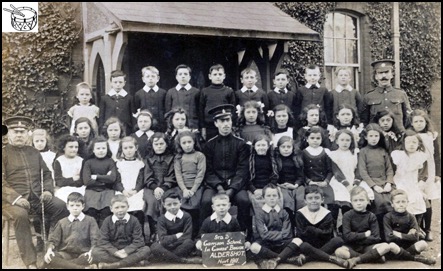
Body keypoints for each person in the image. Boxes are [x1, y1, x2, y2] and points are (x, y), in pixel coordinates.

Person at [2, 116, 69, 269]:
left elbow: (46, 174)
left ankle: (53, 247)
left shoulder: (34, 152)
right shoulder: (3, 153)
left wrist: (46, 190)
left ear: (28, 134)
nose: (19, 134)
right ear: (8, 133)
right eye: (15, 131)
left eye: (23, 131)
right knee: (21, 215)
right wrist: (16, 198)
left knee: (61, 207)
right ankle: (31, 262)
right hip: (10, 202)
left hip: (37, 198)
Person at [200, 104, 251, 239]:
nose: (226, 124)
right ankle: (206, 237)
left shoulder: (241, 144)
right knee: (205, 201)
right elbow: (208, 170)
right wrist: (219, 187)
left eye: (228, 120)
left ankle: (242, 235)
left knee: (244, 201)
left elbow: (242, 170)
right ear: (216, 123)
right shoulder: (209, 145)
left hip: (236, 185)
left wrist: (232, 190)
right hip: (214, 186)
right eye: (222, 121)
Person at [335, 187, 394, 269]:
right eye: (355, 200)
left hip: (368, 247)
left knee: (386, 246)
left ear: (367, 201)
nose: (359, 203)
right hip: (352, 247)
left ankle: (356, 259)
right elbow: (347, 236)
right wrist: (365, 234)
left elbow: (376, 237)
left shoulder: (371, 216)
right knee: (339, 252)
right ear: (351, 202)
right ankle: (372, 257)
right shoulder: (347, 215)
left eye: (361, 200)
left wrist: (355, 237)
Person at [326, 129, 373, 227]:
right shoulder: (333, 154)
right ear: (337, 141)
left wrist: (355, 183)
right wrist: (347, 185)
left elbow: (359, 169)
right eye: (342, 140)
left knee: (362, 196)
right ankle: (335, 226)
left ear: (351, 141)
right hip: (340, 181)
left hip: (355, 180)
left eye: (347, 140)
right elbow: (336, 172)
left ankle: (355, 225)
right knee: (340, 200)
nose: (345, 143)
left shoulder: (355, 153)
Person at [250, 184, 303, 269]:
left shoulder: (284, 213)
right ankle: (286, 259)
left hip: (282, 243)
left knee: (298, 240)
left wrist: (272, 234)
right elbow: (263, 234)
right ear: (263, 198)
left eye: (274, 195)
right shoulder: (259, 214)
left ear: (278, 197)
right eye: (268, 196)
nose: (272, 198)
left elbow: (287, 233)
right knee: (254, 247)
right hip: (267, 244)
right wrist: (280, 234)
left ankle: (276, 259)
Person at [294, 186, 349, 268]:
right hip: (307, 244)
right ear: (305, 200)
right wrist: (317, 231)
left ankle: (308, 258)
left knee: (338, 240)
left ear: (322, 199)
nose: (313, 201)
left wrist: (310, 229)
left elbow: (327, 233)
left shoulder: (327, 214)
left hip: (323, 244)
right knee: (303, 245)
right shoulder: (300, 214)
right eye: (310, 198)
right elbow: (301, 233)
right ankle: (330, 258)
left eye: (317, 198)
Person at [92, 194, 151, 269]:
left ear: (128, 207)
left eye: (123, 207)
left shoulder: (134, 220)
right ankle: (133, 261)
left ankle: (116, 265)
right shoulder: (107, 221)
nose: (120, 210)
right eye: (116, 207)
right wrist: (115, 252)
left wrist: (126, 251)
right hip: (113, 251)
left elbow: (139, 241)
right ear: (111, 209)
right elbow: (103, 241)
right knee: (95, 252)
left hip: (129, 251)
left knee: (146, 250)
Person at [43, 192, 100, 269]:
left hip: (83, 254)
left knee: (93, 257)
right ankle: (82, 268)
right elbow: (53, 240)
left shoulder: (90, 221)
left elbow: (95, 239)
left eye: (78, 205)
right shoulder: (62, 222)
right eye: (72, 205)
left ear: (83, 206)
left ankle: (62, 266)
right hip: (65, 254)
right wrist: (49, 250)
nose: (75, 208)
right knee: (51, 257)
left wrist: (91, 251)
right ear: (67, 206)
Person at [408, 109, 441, 241]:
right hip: (415, 169)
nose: (419, 124)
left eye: (421, 121)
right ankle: (418, 228)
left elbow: (437, 155)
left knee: (427, 199)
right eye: (416, 121)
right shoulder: (409, 135)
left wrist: (438, 173)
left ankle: (428, 229)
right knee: (416, 198)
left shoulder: (431, 135)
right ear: (411, 123)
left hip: (430, 169)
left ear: (426, 122)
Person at [358, 123, 394, 236]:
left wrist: (389, 183)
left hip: (384, 182)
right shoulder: (363, 151)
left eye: (376, 136)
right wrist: (374, 186)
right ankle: (379, 233)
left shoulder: (383, 151)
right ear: (365, 137)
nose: (374, 139)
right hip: (371, 183)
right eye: (371, 136)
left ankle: (390, 231)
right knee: (379, 201)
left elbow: (389, 169)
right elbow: (363, 171)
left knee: (392, 198)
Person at [383, 189, 436, 265]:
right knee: (391, 245)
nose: (401, 204)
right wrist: (407, 236)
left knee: (423, 243)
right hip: (395, 247)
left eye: (403, 202)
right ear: (392, 204)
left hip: (408, 247)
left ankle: (402, 255)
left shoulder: (411, 216)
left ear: (407, 202)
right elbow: (389, 237)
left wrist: (398, 234)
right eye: (398, 202)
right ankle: (414, 258)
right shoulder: (388, 217)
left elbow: (415, 237)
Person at [142, 132, 176, 243]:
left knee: (167, 201)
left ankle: (166, 232)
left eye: (162, 143)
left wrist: (163, 187)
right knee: (152, 202)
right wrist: (155, 187)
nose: (159, 146)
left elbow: (172, 176)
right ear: (152, 146)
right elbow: (147, 177)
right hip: (151, 188)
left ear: (167, 144)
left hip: (168, 187)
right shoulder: (149, 159)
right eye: (156, 144)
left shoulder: (172, 158)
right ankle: (154, 231)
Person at [150, 190, 201, 264]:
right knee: (154, 246)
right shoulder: (161, 219)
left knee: (189, 242)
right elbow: (163, 239)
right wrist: (176, 236)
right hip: (167, 247)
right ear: (164, 205)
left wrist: (170, 240)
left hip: (180, 246)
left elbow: (187, 236)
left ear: (180, 202)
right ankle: (181, 260)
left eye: (175, 204)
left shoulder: (186, 216)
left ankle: (167, 258)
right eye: (169, 205)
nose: (173, 207)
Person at [300, 126, 339, 221]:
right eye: (312, 138)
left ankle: (331, 224)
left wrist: (326, 181)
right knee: (311, 200)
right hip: (310, 183)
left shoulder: (325, 152)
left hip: (323, 183)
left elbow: (330, 170)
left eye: (318, 138)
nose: (315, 140)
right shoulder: (304, 153)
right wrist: (308, 181)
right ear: (307, 139)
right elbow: (302, 171)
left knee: (333, 202)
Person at [82, 136, 123, 227]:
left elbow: (112, 179)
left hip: (107, 191)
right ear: (93, 150)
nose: (101, 150)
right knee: (91, 212)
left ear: (107, 149)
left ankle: (104, 235)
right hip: (91, 191)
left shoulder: (110, 162)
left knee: (106, 213)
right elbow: (87, 181)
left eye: (103, 148)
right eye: (98, 148)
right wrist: (105, 179)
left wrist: (96, 177)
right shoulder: (88, 163)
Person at [172, 130, 206, 238]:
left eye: (189, 142)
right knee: (182, 208)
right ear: (180, 144)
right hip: (183, 188)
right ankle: (184, 234)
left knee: (196, 209)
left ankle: (196, 234)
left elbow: (200, 173)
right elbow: (178, 175)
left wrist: (193, 190)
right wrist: (184, 190)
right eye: (184, 143)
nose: (187, 145)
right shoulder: (178, 157)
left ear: (194, 142)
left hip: (196, 188)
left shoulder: (199, 156)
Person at [361, 59, 411, 131]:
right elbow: (364, 121)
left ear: (392, 74)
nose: (384, 76)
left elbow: (407, 119)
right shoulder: (369, 97)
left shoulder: (401, 94)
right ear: (376, 76)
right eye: (380, 73)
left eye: (387, 72)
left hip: (398, 136)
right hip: (377, 137)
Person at [391, 130, 428, 228]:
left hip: (414, 184)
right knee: (401, 200)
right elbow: (392, 170)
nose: (411, 145)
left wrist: (420, 187)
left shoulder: (421, 156)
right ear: (403, 143)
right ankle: (402, 227)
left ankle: (416, 228)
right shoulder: (398, 155)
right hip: (399, 183)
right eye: (408, 142)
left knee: (417, 199)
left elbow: (423, 174)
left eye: (414, 142)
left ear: (418, 144)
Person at [199, 64, 236, 140]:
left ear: (224, 76)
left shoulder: (229, 91)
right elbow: (201, 110)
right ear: (210, 76)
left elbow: (233, 109)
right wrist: (203, 127)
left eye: (220, 74)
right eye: (215, 74)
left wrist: (232, 125)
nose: (218, 76)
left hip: (224, 124)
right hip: (209, 126)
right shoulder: (204, 91)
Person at [115, 136, 145, 226]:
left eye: (131, 147)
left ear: (136, 148)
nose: (129, 150)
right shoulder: (118, 163)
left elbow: (141, 179)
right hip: (122, 190)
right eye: (125, 148)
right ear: (122, 149)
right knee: (121, 205)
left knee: (138, 207)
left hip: (136, 191)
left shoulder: (140, 163)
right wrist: (122, 190)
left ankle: (139, 235)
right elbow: (116, 180)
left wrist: (136, 190)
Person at [274, 136, 305, 222]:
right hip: (282, 185)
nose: (286, 149)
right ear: (278, 148)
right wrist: (279, 184)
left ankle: (299, 223)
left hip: (296, 185)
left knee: (300, 200)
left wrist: (295, 185)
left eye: (288, 147)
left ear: (293, 148)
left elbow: (301, 176)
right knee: (287, 201)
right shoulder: (276, 160)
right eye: (283, 147)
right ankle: (290, 223)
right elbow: (274, 175)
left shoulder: (296, 159)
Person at [247, 135, 279, 214]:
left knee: (276, 200)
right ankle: (260, 223)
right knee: (258, 203)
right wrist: (254, 190)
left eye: (264, 145)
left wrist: (267, 189)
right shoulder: (250, 160)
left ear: (268, 146)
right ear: (254, 146)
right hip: (254, 188)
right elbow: (247, 178)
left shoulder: (272, 159)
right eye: (258, 145)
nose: (261, 147)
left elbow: (275, 176)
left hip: (269, 187)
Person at [99, 70, 135, 136]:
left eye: (120, 82)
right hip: (110, 130)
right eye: (115, 82)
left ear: (124, 83)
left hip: (126, 129)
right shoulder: (105, 98)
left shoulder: (129, 98)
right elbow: (101, 117)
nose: (118, 84)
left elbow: (132, 116)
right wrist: (102, 130)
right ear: (111, 83)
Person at [165, 64, 200, 129]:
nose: (183, 76)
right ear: (176, 77)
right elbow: (168, 112)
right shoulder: (171, 92)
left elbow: (199, 112)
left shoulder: (196, 92)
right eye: (180, 74)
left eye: (185, 74)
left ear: (190, 77)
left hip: (193, 126)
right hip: (176, 127)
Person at [53, 135, 86, 203]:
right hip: (63, 189)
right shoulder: (59, 161)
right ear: (63, 148)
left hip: (79, 189)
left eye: (76, 147)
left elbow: (82, 180)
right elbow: (59, 181)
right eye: (71, 147)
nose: (74, 149)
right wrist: (73, 179)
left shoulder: (81, 161)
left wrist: (67, 181)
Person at [134, 66, 167, 132]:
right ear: (143, 79)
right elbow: (136, 110)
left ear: (158, 78)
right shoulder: (138, 94)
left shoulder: (163, 93)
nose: (150, 79)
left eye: (153, 76)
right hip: (145, 127)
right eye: (148, 76)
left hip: (161, 126)